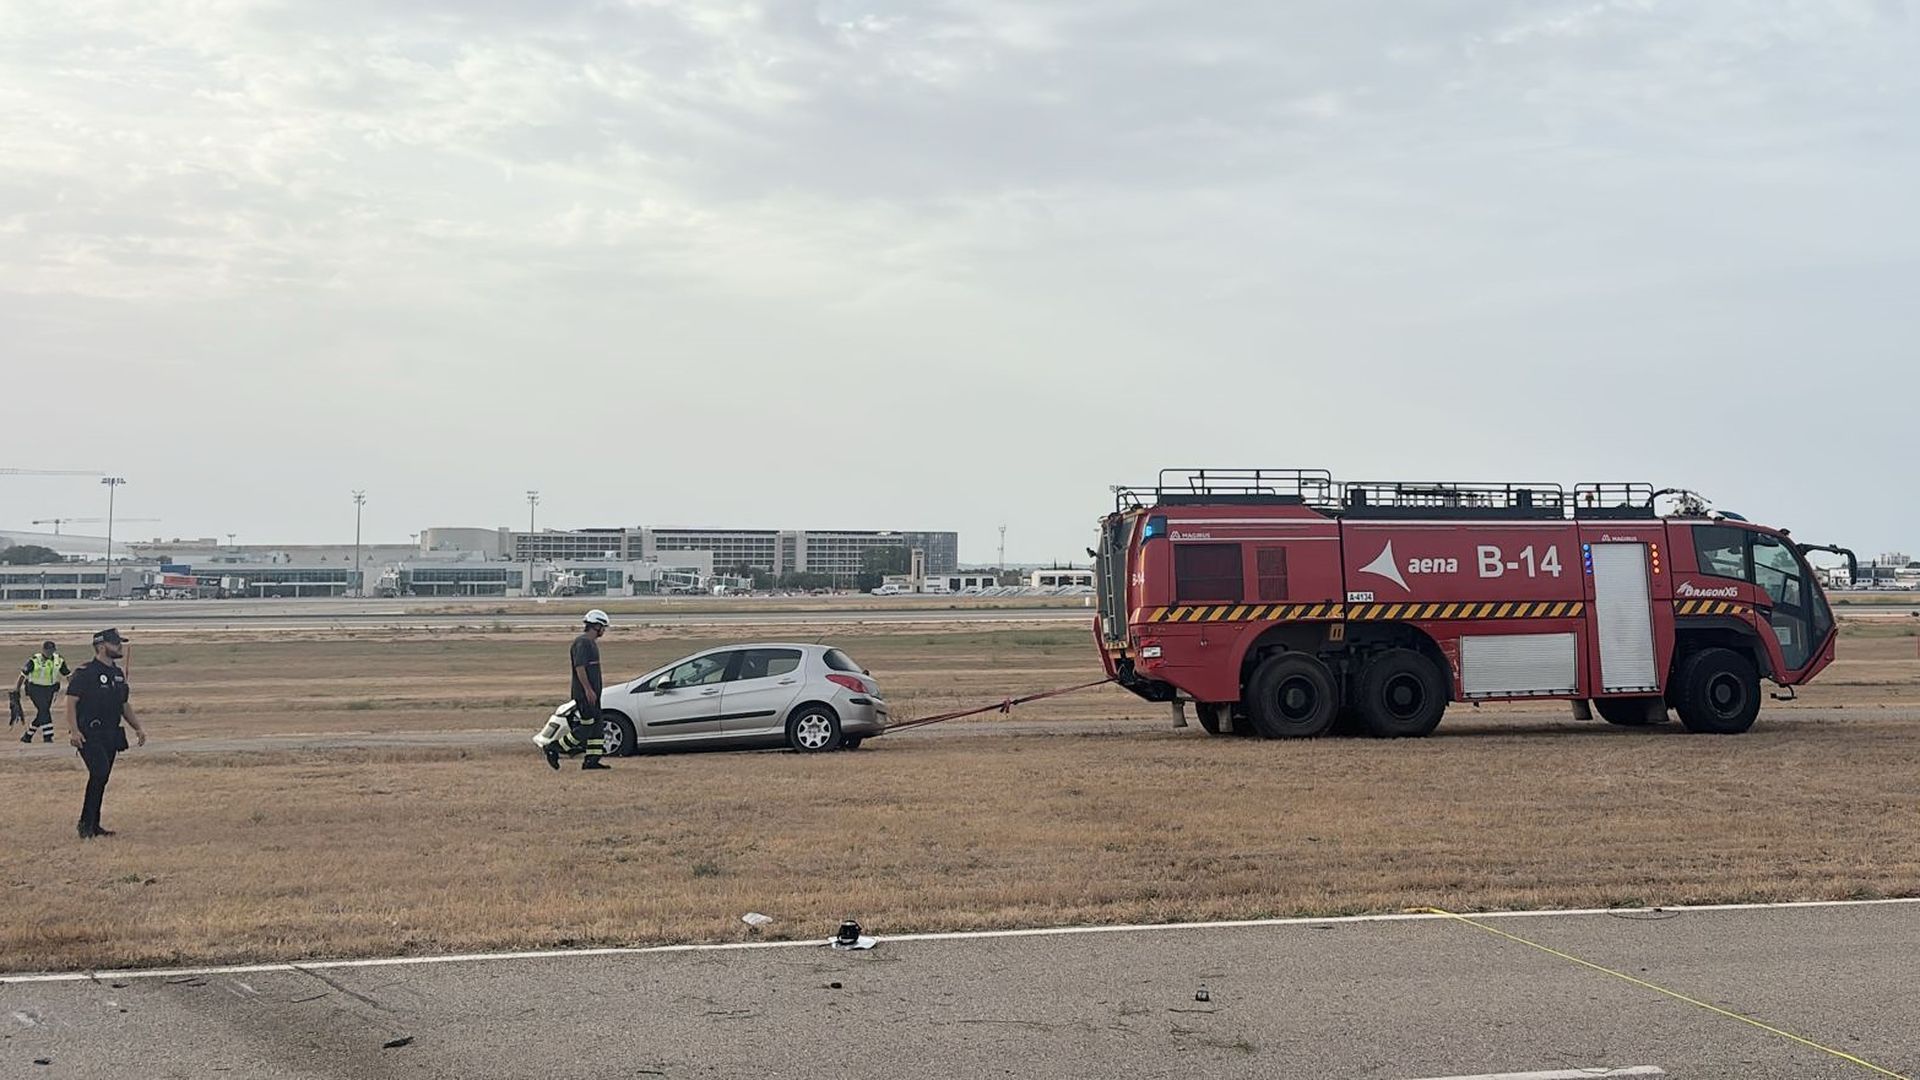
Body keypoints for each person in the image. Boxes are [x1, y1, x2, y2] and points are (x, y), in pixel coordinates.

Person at [65, 627, 146, 839]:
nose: (119, 647)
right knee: (99, 772)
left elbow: (124, 705)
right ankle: (85, 825)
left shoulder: (117, 674)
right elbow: (71, 703)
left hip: (111, 733)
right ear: (101, 646)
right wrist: (74, 731)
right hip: (89, 733)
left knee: (102, 778)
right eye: (115, 643)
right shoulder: (85, 673)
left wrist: (137, 727)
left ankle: (94, 825)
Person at [545, 609, 612, 771]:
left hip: (594, 696)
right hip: (585, 696)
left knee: (597, 728)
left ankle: (592, 761)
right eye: (603, 627)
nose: (604, 630)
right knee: (586, 727)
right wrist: (588, 690)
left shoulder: (591, 643)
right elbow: (580, 668)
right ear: (595, 626)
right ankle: (554, 748)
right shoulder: (582, 643)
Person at [18, 640, 70, 744]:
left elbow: (67, 674)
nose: (49, 652)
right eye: (48, 650)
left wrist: (75, 687)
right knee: (44, 710)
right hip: (35, 689)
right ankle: (48, 736)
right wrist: (17, 689)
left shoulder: (58, 660)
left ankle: (28, 736)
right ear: (43, 650)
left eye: (51, 650)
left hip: (50, 690)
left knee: (42, 712)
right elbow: (23, 675)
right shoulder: (35, 660)